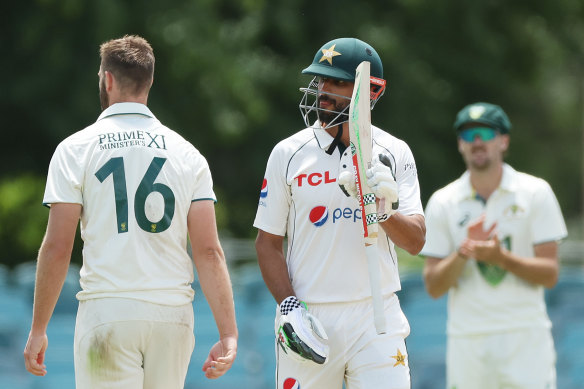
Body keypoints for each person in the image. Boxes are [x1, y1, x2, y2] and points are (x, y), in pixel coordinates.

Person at [23, 35, 238, 388]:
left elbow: (58, 247)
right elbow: (209, 251)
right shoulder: (188, 154)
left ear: (107, 79)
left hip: (108, 312)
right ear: (149, 82)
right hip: (173, 317)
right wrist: (228, 333)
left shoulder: (75, 149)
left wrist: (39, 328)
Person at [254, 37, 426, 389]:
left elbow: (416, 241)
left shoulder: (393, 151)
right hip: (309, 315)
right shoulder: (288, 153)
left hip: (376, 316)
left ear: (370, 91)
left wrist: (380, 206)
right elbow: (267, 243)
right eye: (321, 81)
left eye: (338, 82)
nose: (324, 91)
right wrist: (289, 306)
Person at [421, 102, 567, 389]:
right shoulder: (443, 201)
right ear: (460, 145)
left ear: (504, 141)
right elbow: (434, 286)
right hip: (468, 340)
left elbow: (550, 274)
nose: (477, 141)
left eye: (486, 133)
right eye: (468, 134)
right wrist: (465, 251)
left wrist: (502, 258)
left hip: (525, 337)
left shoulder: (536, 192)